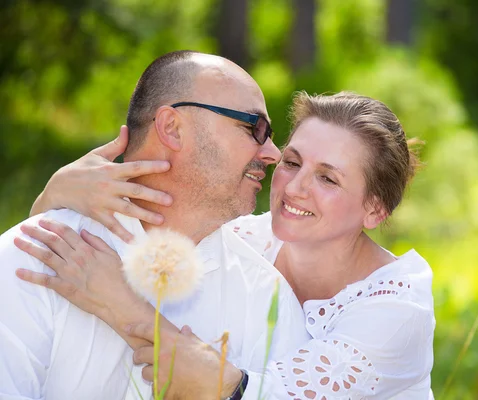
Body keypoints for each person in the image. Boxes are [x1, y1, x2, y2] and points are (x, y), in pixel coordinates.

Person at [18, 91, 436, 398]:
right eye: (292, 163)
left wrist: (118, 300)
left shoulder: (397, 309)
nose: (295, 188)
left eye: (328, 178)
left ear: (375, 210)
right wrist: (52, 197)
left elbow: (245, 392)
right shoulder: (242, 239)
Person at [0, 50, 310, 400]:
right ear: (172, 128)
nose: (272, 153)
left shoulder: (266, 296)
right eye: (255, 128)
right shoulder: (33, 256)